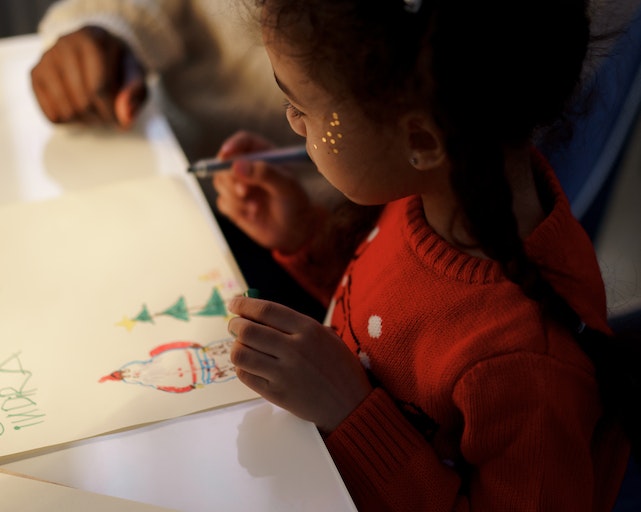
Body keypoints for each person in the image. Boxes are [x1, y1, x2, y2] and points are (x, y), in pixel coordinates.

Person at [216, 0, 641, 510]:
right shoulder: (430, 196)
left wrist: (352, 415)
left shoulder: (526, 366)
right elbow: (389, 322)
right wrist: (303, 236)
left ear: (419, 137)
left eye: (305, 109)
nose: (293, 124)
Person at [30, 0, 330, 320]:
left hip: (325, 240)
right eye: (291, 108)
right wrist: (106, 37)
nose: (296, 124)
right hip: (229, 206)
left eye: (298, 108)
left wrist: (316, 237)